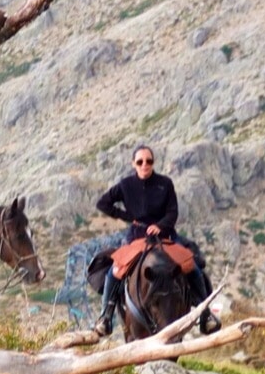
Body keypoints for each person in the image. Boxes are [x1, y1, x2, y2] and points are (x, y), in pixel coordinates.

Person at [92, 144, 219, 336]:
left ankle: (205, 315)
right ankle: (106, 316)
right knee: (115, 271)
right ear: (133, 163)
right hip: (138, 237)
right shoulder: (126, 185)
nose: (145, 165)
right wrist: (127, 217)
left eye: (149, 161)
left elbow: (173, 212)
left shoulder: (165, 183)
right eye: (140, 161)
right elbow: (103, 203)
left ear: (153, 163)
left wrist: (160, 225)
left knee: (191, 266)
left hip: (165, 236)